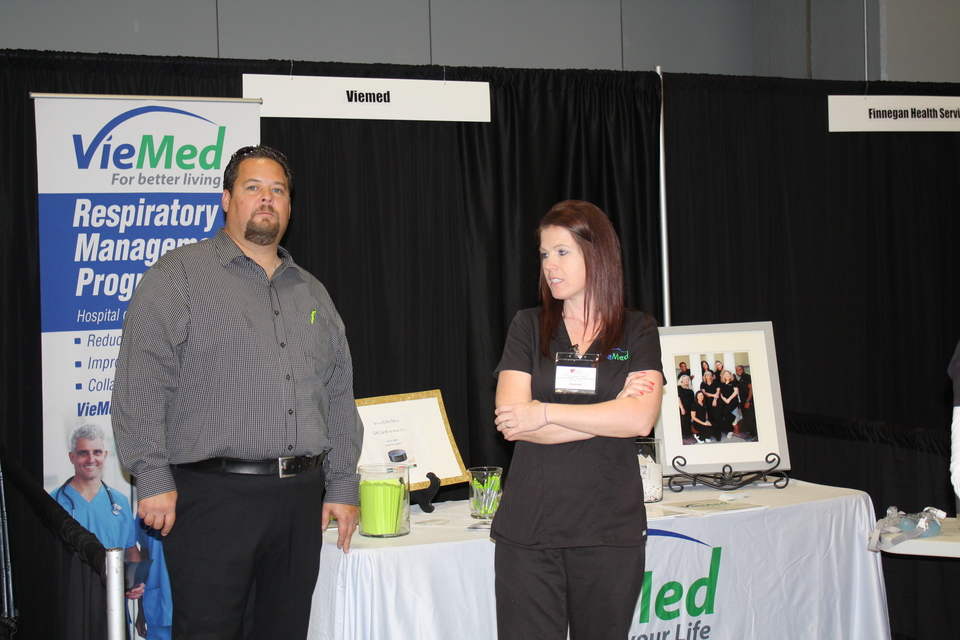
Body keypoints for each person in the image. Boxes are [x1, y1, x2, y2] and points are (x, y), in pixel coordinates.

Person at [112, 145, 363, 640]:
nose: (267, 199)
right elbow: (141, 379)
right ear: (226, 200)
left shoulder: (312, 291)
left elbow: (337, 393)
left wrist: (341, 484)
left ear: (289, 206)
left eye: (278, 190)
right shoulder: (178, 276)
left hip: (299, 502)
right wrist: (152, 474)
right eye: (253, 188)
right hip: (213, 501)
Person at [491, 200, 664, 640]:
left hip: (609, 530)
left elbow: (639, 420)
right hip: (530, 529)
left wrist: (543, 411)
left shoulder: (638, 329)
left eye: (562, 252)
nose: (549, 265)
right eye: (544, 254)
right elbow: (512, 422)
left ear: (597, 253)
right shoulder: (528, 326)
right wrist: (608, 412)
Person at [52, 424, 144, 600]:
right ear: (72, 457)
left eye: (97, 452)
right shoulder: (55, 501)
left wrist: (134, 583)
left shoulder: (119, 501)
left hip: (114, 601)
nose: (91, 459)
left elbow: (131, 550)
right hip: (72, 598)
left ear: (105, 455)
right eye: (83, 453)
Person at [735, 364, 756, 440]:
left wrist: (748, 401)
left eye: (740, 370)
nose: (738, 372)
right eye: (737, 371)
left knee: (750, 418)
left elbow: (751, 389)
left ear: (743, 370)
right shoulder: (741, 379)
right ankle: (750, 431)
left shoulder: (747, 377)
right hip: (743, 402)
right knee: (746, 418)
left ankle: (753, 435)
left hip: (748, 402)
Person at [718, 369, 740, 437]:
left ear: (730, 375)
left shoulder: (733, 382)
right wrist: (724, 399)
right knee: (724, 414)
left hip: (733, 401)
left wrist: (729, 399)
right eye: (725, 374)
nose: (727, 375)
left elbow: (736, 392)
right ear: (723, 376)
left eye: (728, 374)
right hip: (724, 401)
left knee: (726, 412)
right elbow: (721, 393)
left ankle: (731, 428)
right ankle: (730, 430)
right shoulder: (722, 383)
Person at [678, 374, 695, 440]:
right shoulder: (679, 388)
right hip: (683, 407)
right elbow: (678, 398)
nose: (686, 380)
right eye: (684, 379)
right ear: (681, 381)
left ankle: (688, 434)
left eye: (687, 379)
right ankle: (684, 435)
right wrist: (682, 408)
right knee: (683, 421)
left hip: (689, 408)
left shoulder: (690, 389)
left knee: (688, 421)